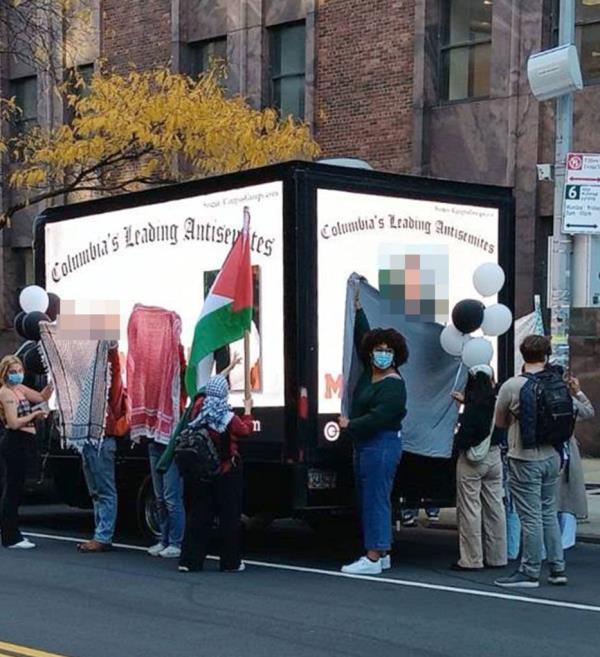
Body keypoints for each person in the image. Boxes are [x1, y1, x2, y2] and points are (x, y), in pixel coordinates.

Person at [338, 287, 407, 575]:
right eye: (378, 349)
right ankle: (383, 550)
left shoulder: (393, 384)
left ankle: (374, 556)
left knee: (375, 499)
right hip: (367, 446)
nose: (382, 354)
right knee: (373, 497)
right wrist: (358, 310)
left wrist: (349, 425)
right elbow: (361, 339)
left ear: (396, 355)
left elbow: (379, 417)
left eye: (387, 350)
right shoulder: (371, 372)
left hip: (380, 445)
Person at [494, 335, 567, 588]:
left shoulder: (512, 385)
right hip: (553, 455)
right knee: (548, 511)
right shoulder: (558, 382)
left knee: (530, 516)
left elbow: (500, 423)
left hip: (524, 456)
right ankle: (557, 568)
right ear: (546, 356)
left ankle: (529, 570)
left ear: (522, 355)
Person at [178, 374, 253, 573]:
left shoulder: (198, 412)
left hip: (201, 471)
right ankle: (230, 562)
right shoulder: (228, 417)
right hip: (227, 471)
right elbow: (245, 430)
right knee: (229, 518)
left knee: (198, 515)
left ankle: (189, 561)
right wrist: (248, 411)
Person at [450, 364, 507, 571]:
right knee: (495, 508)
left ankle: (472, 559)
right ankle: (498, 556)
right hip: (495, 458)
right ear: (491, 381)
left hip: (472, 460)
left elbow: (465, 436)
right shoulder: (499, 402)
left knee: (470, 509)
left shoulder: (472, 406)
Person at [77, 344, 129, 553]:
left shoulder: (109, 387)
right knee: (96, 492)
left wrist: (112, 350)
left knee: (105, 491)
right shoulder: (87, 389)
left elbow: (114, 370)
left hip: (102, 440)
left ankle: (103, 536)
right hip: (88, 440)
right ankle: (100, 532)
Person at [0, 355, 51, 549]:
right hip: (15, 441)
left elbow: (41, 397)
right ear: (5, 373)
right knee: (12, 488)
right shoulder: (6, 393)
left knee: (17, 487)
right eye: (12, 372)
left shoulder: (20, 389)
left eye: (19, 371)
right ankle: (11, 536)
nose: (17, 375)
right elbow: (13, 423)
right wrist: (34, 415)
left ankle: (14, 533)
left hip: (25, 441)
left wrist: (53, 381)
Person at [557, 374, 594, 550]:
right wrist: (578, 391)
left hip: (547, 450)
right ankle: (566, 540)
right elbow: (588, 411)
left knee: (551, 497)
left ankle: (552, 540)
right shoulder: (568, 401)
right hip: (567, 450)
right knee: (569, 495)